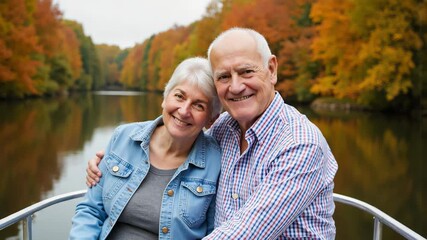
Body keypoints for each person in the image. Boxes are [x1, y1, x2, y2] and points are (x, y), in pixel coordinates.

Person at [86, 28, 338, 239]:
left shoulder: (300, 143)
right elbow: (175, 145)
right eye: (224, 76)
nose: (236, 86)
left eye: (247, 72)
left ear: (271, 69)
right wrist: (110, 161)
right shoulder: (223, 128)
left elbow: (245, 233)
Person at [69, 57, 223, 240]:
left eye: (199, 105)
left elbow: (214, 232)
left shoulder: (216, 162)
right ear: (165, 99)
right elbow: (91, 210)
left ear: (211, 118)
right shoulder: (124, 137)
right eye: (179, 96)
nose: (184, 110)